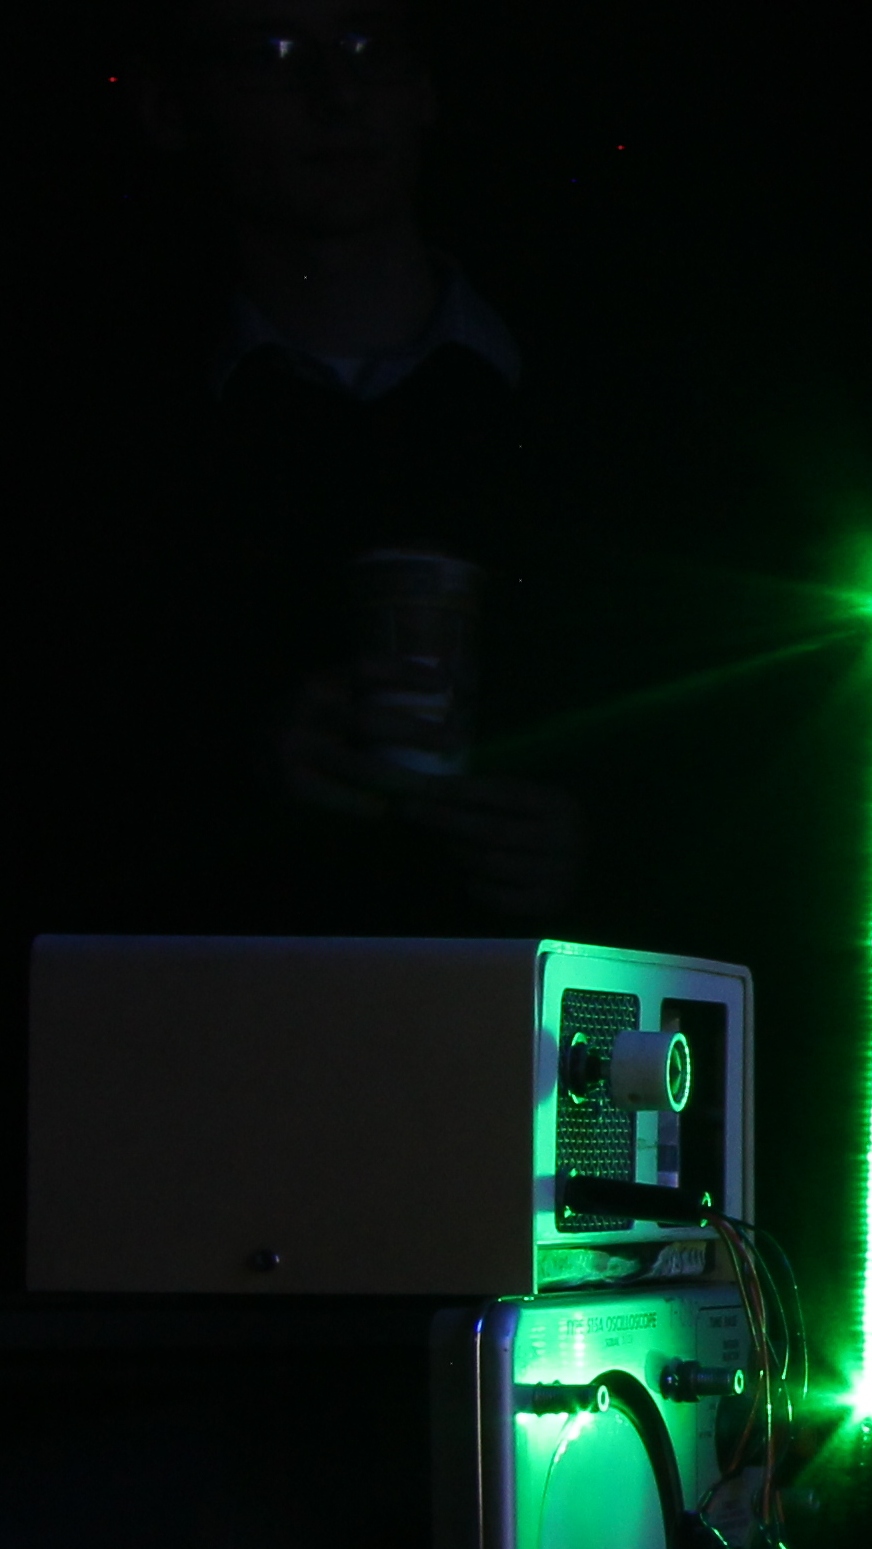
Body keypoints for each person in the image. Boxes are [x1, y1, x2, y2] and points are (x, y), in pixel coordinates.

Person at [74, 0, 598, 935]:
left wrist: (590, 851)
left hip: (510, 1011)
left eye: (368, 46)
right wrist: (235, 774)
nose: (339, 93)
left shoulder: (599, 410)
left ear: (424, 89)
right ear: (170, 107)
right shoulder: (102, 444)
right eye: (274, 53)